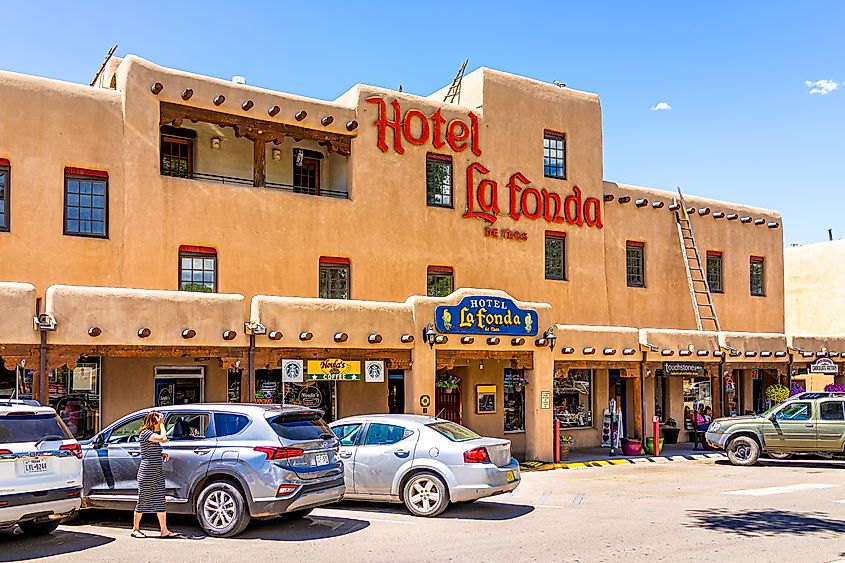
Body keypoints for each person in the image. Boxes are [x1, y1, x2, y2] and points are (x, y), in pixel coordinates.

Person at [131, 411, 180, 538]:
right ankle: (135, 529)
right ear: (153, 422)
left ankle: (164, 530)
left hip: (157, 472)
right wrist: (162, 424)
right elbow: (163, 438)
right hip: (147, 472)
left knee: (160, 501)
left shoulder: (151, 435)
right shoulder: (145, 433)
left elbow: (150, 449)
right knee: (143, 499)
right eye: (157, 422)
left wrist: (161, 454)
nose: (159, 425)